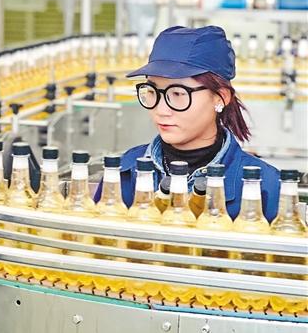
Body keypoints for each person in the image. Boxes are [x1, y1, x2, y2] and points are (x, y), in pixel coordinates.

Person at [95, 25, 280, 220]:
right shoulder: (123, 172)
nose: (161, 110)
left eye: (177, 94)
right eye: (152, 92)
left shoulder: (264, 187)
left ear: (220, 98)